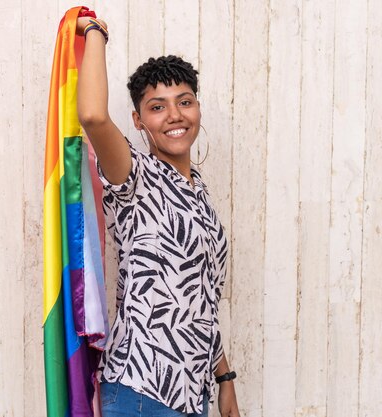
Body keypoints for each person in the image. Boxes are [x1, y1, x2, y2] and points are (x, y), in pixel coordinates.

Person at [76, 15, 241, 417]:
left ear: (197, 108)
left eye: (184, 101)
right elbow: (94, 116)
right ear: (138, 120)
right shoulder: (132, 175)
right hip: (141, 390)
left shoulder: (199, 193)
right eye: (156, 107)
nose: (174, 115)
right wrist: (95, 33)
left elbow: (201, 299)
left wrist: (224, 379)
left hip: (193, 393)